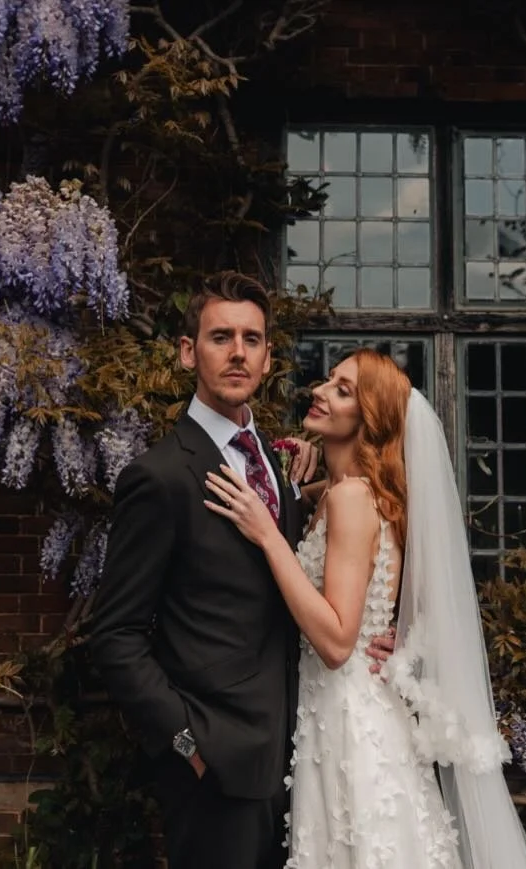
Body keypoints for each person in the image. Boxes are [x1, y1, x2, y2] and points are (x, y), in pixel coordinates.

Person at [205, 348, 526, 869]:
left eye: (342, 390)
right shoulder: (344, 495)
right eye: (329, 380)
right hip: (339, 716)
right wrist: (293, 486)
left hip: (350, 724)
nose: (319, 390)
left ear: (371, 419)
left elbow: (338, 642)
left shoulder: (351, 501)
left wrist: (268, 536)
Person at [85, 273, 329, 869]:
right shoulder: (160, 476)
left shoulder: (276, 464)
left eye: (252, 338)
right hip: (215, 767)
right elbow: (114, 635)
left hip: (305, 759)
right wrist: (188, 743)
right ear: (189, 351)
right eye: (221, 336)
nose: (238, 351)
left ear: (269, 358)